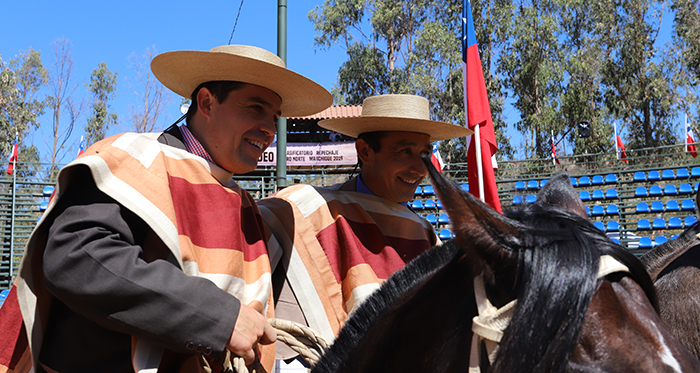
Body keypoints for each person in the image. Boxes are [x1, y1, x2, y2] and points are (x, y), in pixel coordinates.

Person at [8, 44, 332, 372]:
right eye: (255, 108)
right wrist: (222, 318)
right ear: (206, 102)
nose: (269, 128)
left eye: (274, 117)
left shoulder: (244, 202)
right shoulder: (132, 159)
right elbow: (76, 258)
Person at [256, 94, 472, 366]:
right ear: (365, 151)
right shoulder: (304, 208)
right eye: (404, 151)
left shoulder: (425, 233)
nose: (419, 168)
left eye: (425, 153)